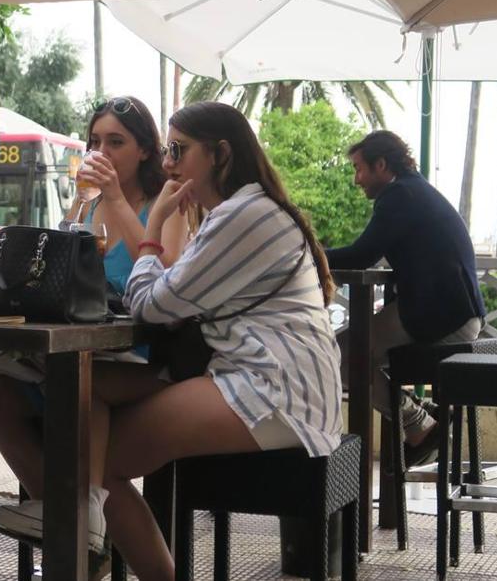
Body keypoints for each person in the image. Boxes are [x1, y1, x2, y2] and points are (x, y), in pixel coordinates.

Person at [98, 101, 343, 581]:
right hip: (273, 380)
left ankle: (101, 547)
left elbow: (152, 304)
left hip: (274, 388)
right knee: (90, 402)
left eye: (179, 150)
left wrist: (151, 230)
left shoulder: (242, 214)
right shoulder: (239, 211)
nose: (167, 163)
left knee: (93, 461)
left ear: (220, 154)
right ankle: (90, 538)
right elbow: (174, 297)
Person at [0, 96, 188, 555]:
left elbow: (167, 276)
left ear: (144, 150)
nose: (102, 151)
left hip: (145, 360)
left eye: (116, 141)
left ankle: (74, 528)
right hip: (91, 352)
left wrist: (115, 200)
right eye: (95, 141)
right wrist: (80, 202)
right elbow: (56, 270)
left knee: (83, 387)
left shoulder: (165, 202)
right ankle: (73, 519)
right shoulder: (91, 206)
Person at [327, 130, 485, 465]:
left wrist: (307, 253)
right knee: (351, 354)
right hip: (457, 314)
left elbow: (362, 255)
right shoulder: (416, 190)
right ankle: (418, 413)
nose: (356, 179)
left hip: (442, 318)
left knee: (336, 356)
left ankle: (420, 425)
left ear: (381, 165)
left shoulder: (398, 195)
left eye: (359, 169)